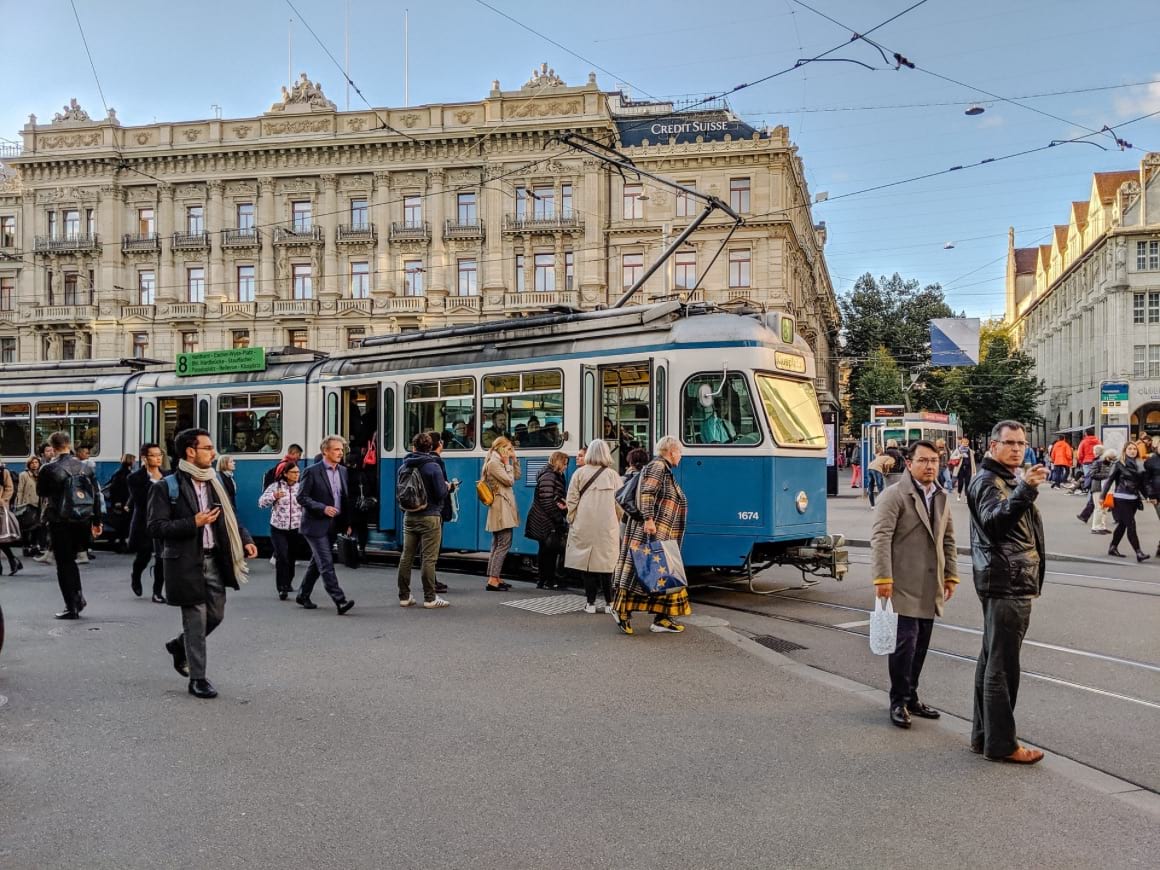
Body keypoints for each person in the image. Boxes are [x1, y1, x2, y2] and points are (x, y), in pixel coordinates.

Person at [148, 427, 258, 700]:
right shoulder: (167, 486)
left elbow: (230, 514)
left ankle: (179, 645)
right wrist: (192, 523)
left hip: (215, 559)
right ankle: (198, 679)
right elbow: (155, 526)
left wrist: (245, 539)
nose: (213, 452)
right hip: (185, 562)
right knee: (196, 622)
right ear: (190, 451)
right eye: (207, 448)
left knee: (216, 615)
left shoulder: (215, 481)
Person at [966, 420, 1046, 764]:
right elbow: (996, 523)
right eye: (1010, 443)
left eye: (1021, 443)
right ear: (993, 446)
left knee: (991, 660)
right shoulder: (988, 481)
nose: (1017, 448)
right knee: (1002, 665)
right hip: (1006, 581)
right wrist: (1026, 489)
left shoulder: (1002, 478)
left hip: (1006, 578)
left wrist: (1022, 488)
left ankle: (984, 736)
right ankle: (1002, 744)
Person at [870, 440, 959, 729]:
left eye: (934, 460)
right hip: (902, 584)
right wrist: (883, 578)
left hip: (930, 583)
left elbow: (948, 538)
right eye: (923, 460)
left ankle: (911, 696)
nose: (930, 465)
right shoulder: (894, 495)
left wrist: (951, 575)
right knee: (904, 646)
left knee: (921, 644)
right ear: (909, 464)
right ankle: (898, 701)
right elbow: (881, 538)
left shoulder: (941, 495)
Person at [610, 436, 691, 636]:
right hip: (651, 531)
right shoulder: (658, 467)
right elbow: (647, 493)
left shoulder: (664, 469)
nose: (681, 456)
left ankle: (662, 618)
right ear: (671, 451)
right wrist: (648, 519)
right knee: (641, 572)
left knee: (662, 575)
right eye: (680, 452)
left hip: (662, 533)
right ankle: (622, 611)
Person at [36, 432, 103, 618]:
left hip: (60, 520)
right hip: (82, 519)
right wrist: (97, 521)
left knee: (64, 563)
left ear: (53, 447)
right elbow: (95, 494)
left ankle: (72, 604)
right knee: (72, 560)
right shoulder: (86, 467)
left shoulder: (49, 469)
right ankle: (77, 596)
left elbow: (41, 491)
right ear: (69, 444)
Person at [294, 436, 355, 614]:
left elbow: (344, 499)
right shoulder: (312, 471)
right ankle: (340, 600)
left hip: (334, 524)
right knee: (326, 562)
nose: (340, 453)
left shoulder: (343, 471)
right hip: (314, 525)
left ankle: (303, 594)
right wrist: (322, 508)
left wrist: (347, 523)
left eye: (342, 450)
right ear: (325, 451)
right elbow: (301, 497)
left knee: (317, 562)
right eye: (336, 449)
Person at [564, 439, 623, 614]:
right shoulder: (613, 475)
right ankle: (609, 603)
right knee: (607, 565)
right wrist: (617, 519)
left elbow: (571, 499)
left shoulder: (579, 474)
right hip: (607, 525)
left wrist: (572, 518)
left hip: (584, 523)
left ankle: (590, 603)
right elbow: (620, 502)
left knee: (587, 565)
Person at [396, 432, 451, 609]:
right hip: (430, 516)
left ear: (413, 447)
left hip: (409, 515)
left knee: (406, 557)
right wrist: (449, 487)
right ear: (430, 448)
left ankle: (404, 596)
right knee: (428, 558)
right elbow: (441, 493)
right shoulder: (433, 467)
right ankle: (430, 598)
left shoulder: (403, 467)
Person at [128, 443, 169, 603]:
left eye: (160, 455)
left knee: (162, 558)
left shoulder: (168, 475)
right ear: (144, 458)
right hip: (144, 522)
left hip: (163, 522)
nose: (158, 458)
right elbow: (140, 500)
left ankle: (157, 592)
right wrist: (152, 481)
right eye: (153, 455)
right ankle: (136, 576)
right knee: (143, 555)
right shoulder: (134, 478)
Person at [258, 462, 304, 600]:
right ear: (285, 474)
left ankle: (288, 581)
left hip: (296, 528)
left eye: (298, 472)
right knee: (282, 556)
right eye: (294, 472)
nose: (297, 475)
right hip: (278, 528)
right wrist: (273, 496)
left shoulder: (301, 487)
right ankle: (282, 587)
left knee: (291, 557)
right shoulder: (275, 486)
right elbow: (261, 503)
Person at [525, 451, 568, 590]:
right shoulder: (550, 476)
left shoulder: (552, 475)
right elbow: (547, 500)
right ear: (558, 462)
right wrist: (558, 518)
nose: (566, 467)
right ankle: (547, 580)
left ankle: (545, 580)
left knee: (547, 550)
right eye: (565, 463)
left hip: (544, 518)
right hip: (544, 519)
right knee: (548, 551)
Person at [482, 436, 520, 591]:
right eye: (509, 449)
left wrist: (514, 461)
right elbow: (509, 481)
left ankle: (495, 576)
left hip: (503, 505)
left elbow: (516, 476)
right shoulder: (494, 464)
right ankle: (492, 579)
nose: (511, 452)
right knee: (504, 543)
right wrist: (507, 464)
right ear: (501, 448)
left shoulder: (497, 462)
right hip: (501, 506)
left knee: (498, 543)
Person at [1101, 441, 1149, 561]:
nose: (1132, 451)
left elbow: (1142, 484)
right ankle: (1138, 552)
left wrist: (1148, 496)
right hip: (1121, 498)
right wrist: (1102, 496)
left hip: (1133, 499)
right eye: (1130, 449)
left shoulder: (1140, 464)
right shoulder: (1119, 463)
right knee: (1131, 525)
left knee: (1123, 525)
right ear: (1125, 451)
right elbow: (1109, 480)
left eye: (1134, 449)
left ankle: (1113, 547)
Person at [104, 453, 136, 550]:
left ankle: (118, 542)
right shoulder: (125, 473)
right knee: (124, 523)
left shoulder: (119, 472)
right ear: (130, 461)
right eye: (133, 460)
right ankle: (121, 544)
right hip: (123, 501)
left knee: (122, 523)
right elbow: (117, 489)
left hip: (121, 501)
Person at [15, 456, 44, 558]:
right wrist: (19, 503)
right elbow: (20, 489)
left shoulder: (41, 474)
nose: (34, 464)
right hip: (27, 503)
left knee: (37, 527)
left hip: (39, 504)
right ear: (28, 464)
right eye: (32, 463)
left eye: (36, 462)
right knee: (27, 527)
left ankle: (35, 547)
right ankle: (26, 547)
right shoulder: (24, 475)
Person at [1087, 448, 1116, 535]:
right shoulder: (1098, 462)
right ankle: (1095, 527)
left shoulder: (1112, 464)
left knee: (1105, 508)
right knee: (1099, 508)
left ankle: (1102, 526)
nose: (1111, 460)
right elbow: (1092, 474)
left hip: (1107, 488)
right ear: (1106, 456)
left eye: (1113, 458)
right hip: (1097, 487)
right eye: (1110, 458)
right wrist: (1107, 476)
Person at [0, 460, 22, 575]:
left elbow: (9, 488)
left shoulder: (3, 471)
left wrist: (2, 500)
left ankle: (12, 560)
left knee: (1, 538)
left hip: (0, 508)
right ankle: (13, 560)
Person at [952, 436, 976, 502]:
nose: (965, 444)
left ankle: (966, 497)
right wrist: (959, 456)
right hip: (961, 469)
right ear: (961, 443)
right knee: (960, 483)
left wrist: (974, 471)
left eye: (966, 442)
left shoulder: (970, 451)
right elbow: (952, 457)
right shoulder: (958, 450)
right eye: (964, 442)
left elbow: (973, 461)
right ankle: (959, 494)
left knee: (967, 483)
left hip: (968, 468)